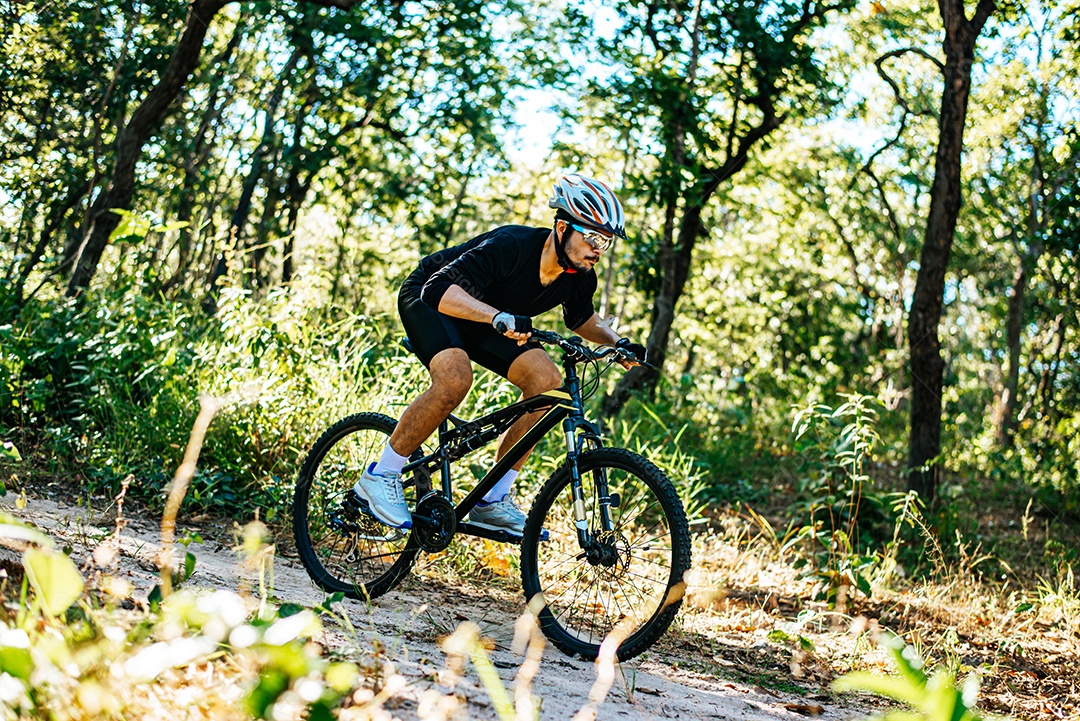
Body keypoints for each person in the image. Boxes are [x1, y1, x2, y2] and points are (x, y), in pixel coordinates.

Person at [351, 172, 647, 536]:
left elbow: (582, 318)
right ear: (561, 228)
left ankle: (492, 499)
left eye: (606, 241)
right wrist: (497, 316)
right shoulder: (512, 245)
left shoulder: (580, 275)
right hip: (432, 298)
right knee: (455, 379)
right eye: (593, 237)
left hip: (489, 317)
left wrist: (617, 341)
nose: (599, 248)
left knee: (548, 385)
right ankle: (381, 474)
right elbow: (438, 288)